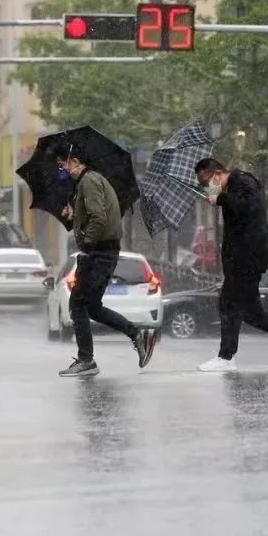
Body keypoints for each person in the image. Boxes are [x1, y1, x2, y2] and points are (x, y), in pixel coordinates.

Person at [194, 158, 268, 372]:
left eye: (207, 181)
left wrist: (220, 198)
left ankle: (226, 357)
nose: (206, 186)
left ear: (218, 174)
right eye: (203, 184)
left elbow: (246, 207)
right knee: (251, 313)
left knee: (228, 304)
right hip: (240, 258)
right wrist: (220, 199)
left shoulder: (244, 182)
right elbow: (237, 212)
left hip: (248, 258)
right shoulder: (231, 190)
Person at [54, 140, 156, 377]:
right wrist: (71, 218)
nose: (63, 170)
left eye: (63, 165)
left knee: (78, 304)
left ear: (75, 162)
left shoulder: (89, 181)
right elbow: (93, 217)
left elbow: (98, 218)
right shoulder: (90, 182)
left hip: (98, 252)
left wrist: (87, 245)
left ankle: (86, 360)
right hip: (103, 251)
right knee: (92, 307)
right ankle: (135, 334)